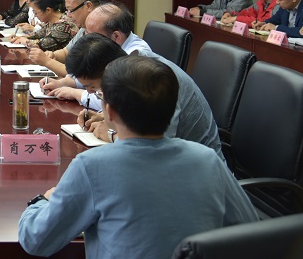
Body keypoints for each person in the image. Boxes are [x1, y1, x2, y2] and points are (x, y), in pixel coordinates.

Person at [18, 55, 258, 259]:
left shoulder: (91, 166)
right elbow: (250, 230)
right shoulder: (208, 159)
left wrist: (43, 200)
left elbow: (35, 240)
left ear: (109, 111)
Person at [66, 33, 222, 158]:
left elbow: (157, 146)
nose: (92, 93)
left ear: (108, 72)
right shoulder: (131, 70)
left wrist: (111, 134)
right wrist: (105, 117)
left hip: (195, 169)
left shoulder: (153, 80)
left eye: (93, 87)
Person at [49, 2, 151, 109]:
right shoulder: (113, 50)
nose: (87, 41)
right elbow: (95, 77)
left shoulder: (136, 60)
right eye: (86, 33)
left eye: (93, 36)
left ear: (116, 36)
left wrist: (74, 93)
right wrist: (65, 82)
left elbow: (115, 102)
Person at [12, 0, 77, 51]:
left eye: (36, 12)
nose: (35, 16)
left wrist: (24, 41)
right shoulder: (50, 21)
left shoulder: (64, 25)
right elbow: (37, 35)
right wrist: (19, 38)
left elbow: (41, 45)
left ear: (48, 10)